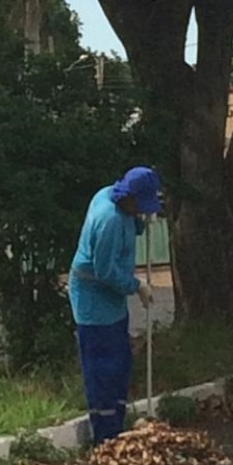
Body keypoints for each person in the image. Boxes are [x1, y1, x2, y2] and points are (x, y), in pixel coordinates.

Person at [69, 166, 161, 444]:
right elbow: (104, 270)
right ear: (129, 198)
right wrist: (137, 286)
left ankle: (117, 425)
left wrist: (141, 223)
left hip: (112, 298)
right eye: (140, 206)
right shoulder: (108, 219)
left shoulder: (112, 197)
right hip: (94, 299)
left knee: (120, 361)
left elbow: (128, 225)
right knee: (103, 367)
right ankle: (106, 433)